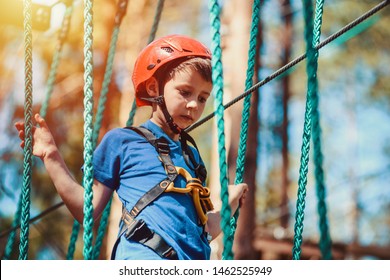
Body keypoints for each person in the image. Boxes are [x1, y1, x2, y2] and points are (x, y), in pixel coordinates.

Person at [15, 34, 248, 260]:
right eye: (185, 92)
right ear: (154, 88)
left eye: (202, 98)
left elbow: (202, 232)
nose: (193, 105)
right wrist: (51, 155)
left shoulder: (192, 158)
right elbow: (88, 209)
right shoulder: (122, 142)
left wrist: (228, 205)